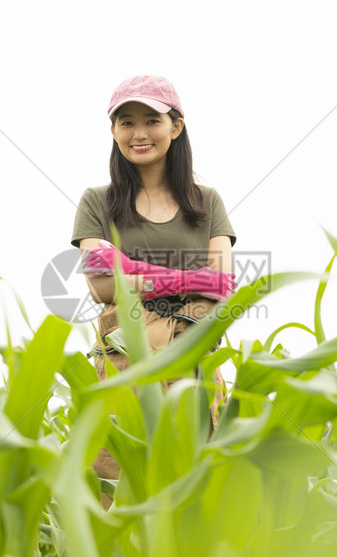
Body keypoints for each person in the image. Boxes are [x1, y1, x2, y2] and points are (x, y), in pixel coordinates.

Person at [71, 75, 236, 490]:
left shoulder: (207, 201)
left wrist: (128, 267)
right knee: (117, 489)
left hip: (193, 358)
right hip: (123, 362)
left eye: (152, 120)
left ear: (175, 126)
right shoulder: (98, 200)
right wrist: (187, 278)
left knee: (195, 494)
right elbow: (100, 286)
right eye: (126, 122)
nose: (139, 133)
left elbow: (222, 286)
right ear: (113, 131)